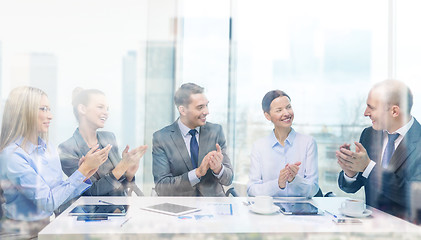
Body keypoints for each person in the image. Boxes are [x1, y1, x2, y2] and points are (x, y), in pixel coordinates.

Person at [0, 86, 109, 237]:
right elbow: (48, 202)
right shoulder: (11, 156)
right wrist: (81, 172)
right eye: (43, 109)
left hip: (47, 229)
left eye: (49, 109)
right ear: (24, 113)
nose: (50, 116)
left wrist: (84, 173)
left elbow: (59, 195)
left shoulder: (48, 149)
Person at [337, 80, 421, 220]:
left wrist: (368, 167)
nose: (365, 113)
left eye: (372, 108)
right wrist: (351, 173)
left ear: (394, 111)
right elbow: (351, 188)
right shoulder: (369, 135)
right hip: (372, 229)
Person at [59, 88, 147, 200]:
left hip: (120, 211)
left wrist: (128, 174)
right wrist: (122, 166)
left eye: (107, 109)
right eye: (100, 107)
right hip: (93, 215)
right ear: (82, 109)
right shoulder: (67, 149)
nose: (106, 113)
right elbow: (90, 193)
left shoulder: (109, 138)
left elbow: (119, 187)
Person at [152, 83, 233, 196]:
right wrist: (197, 173)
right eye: (200, 107)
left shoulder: (216, 131)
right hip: (180, 208)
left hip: (213, 207)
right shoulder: (162, 138)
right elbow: (162, 187)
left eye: (206, 105)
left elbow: (229, 179)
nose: (206, 111)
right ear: (183, 110)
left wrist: (218, 169)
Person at [247, 90, 319, 197]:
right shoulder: (259, 146)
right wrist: (278, 184)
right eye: (279, 110)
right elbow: (252, 190)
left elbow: (313, 190)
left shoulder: (308, 143)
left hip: (301, 212)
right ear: (267, 116)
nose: (286, 113)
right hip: (269, 211)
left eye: (288, 107)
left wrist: (295, 180)